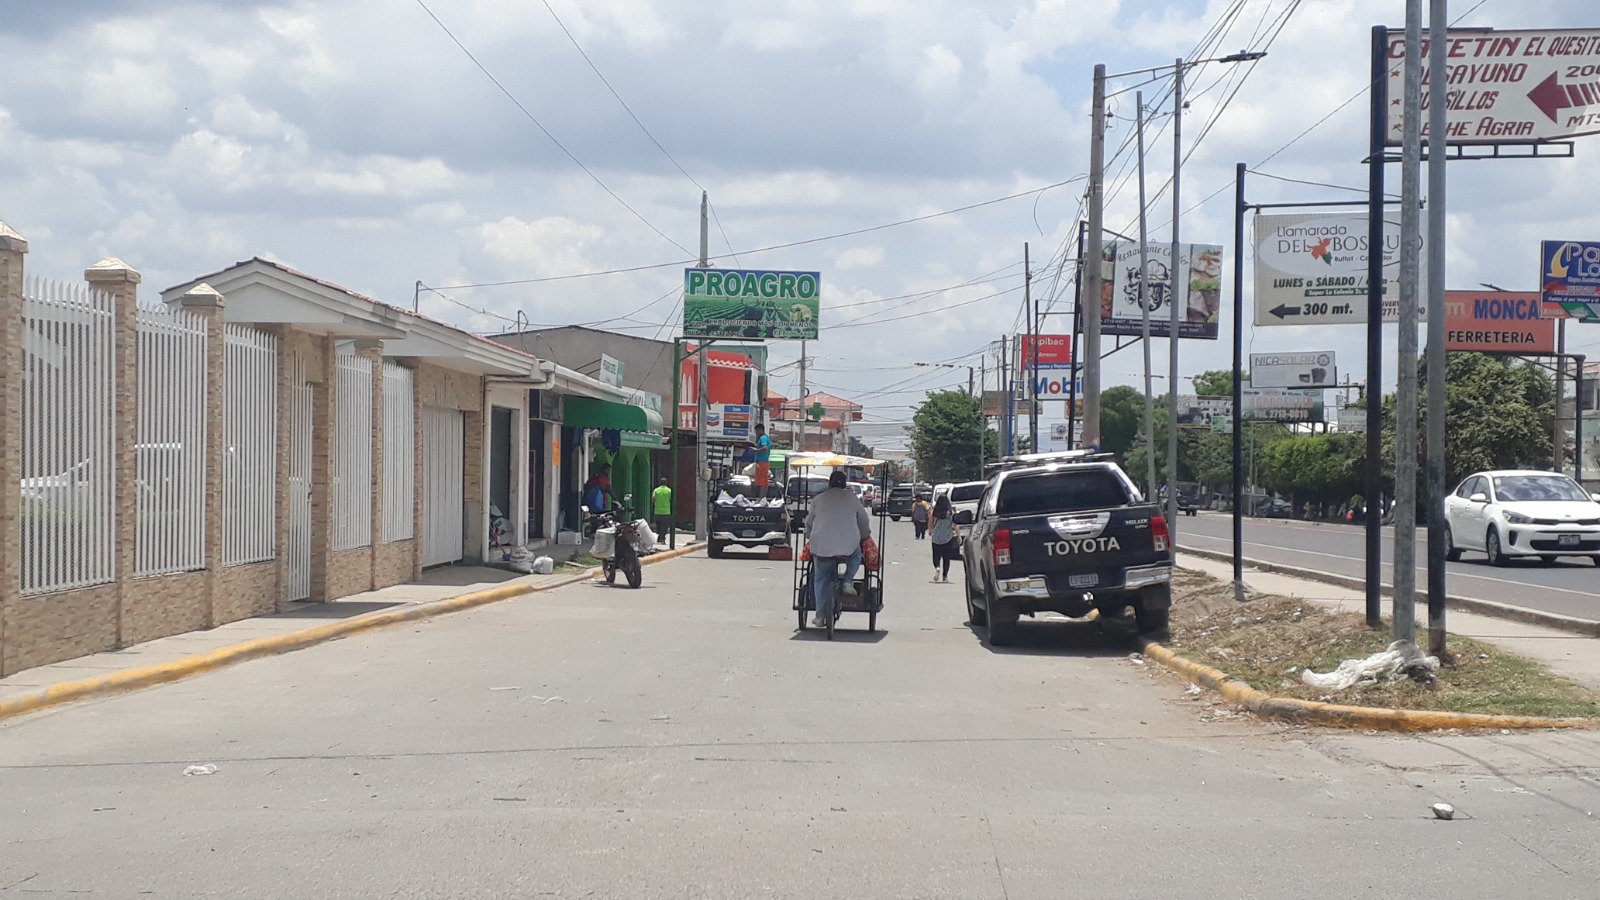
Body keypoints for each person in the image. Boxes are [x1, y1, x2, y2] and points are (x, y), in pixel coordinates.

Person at [804, 469, 872, 628]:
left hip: (821, 545)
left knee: (819, 578)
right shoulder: (852, 498)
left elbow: (809, 521)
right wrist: (865, 535)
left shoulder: (819, 499)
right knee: (856, 557)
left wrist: (809, 534)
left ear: (829, 483)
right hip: (848, 545)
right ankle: (847, 581)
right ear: (845, 484)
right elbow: (863, 520)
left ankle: (820, 616)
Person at [929, 494, 962, 583]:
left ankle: (937, 567)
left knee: (936, 555)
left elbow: (930, 523)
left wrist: (930, 531)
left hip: (936, 537)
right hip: (948, 537)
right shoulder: (951, 512)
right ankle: (945, 577)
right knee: (946, 558)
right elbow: (955, 525)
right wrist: (959, 536)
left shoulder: (934, 512)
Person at [749, 424, 773, 490]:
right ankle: (763, 497)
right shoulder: (766, 437)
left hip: (761, 463)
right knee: (764, 482)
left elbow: (765, 448)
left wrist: (756, 450)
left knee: (761, 482)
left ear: (761, 430)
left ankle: (761, 497)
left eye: (757, 431)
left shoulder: (763, 438)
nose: (756, 433)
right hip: (764, 462)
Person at [650, 477, 673, 545]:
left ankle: (659, 537)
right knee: (664, 526)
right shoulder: (669, 490)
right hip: (666, 511)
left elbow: (653, 499)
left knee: (658, 526)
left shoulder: (656, 490)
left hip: (657, 511)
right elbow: (671, 499)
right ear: (666, 483)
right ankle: (662, 538)